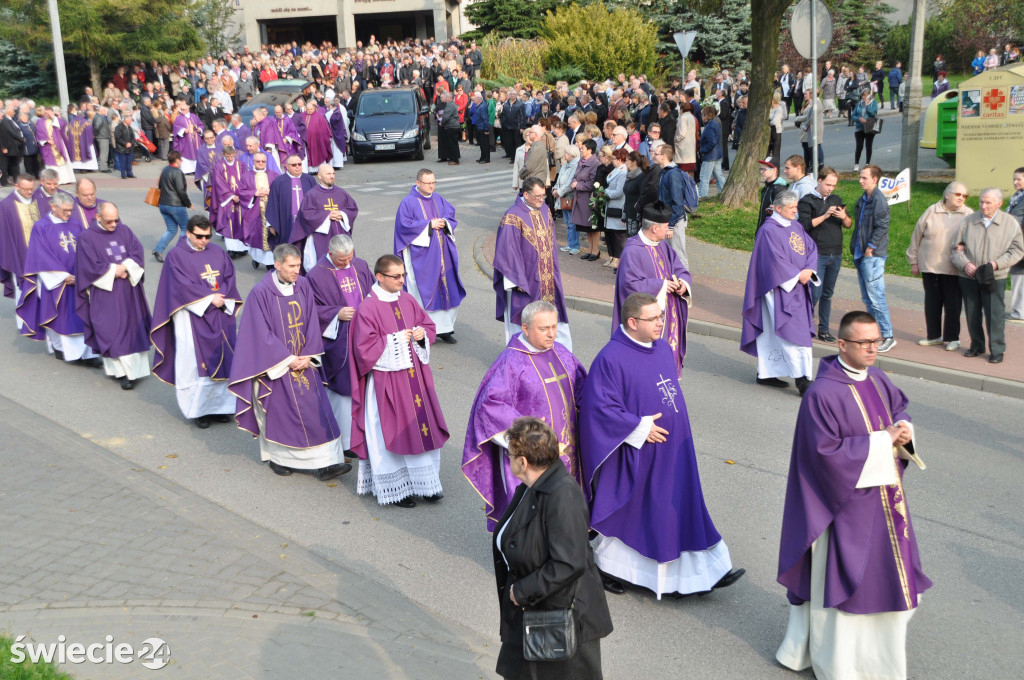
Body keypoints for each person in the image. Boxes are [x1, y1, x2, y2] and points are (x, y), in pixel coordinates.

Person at [776, 310, 930, 680]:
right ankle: (841, 664)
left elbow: (898, 409)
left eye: (876, 341)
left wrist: (904, 429)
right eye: (863, 343)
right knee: (850, 584)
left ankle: (880, 661)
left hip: (887, 502)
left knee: (890, 578)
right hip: (843, 508)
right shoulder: (823, 394)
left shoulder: (877, 378)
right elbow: (823, 456)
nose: (872, 349)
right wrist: (882, 441)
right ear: (842, 344)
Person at [580, 292, 745, 598]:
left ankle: (704, 572)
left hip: (675, 448)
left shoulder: (661, 349)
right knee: (644, 512)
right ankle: (610, 567)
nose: (661, 322)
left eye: (660, 316)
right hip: (639, 453)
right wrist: (639, 427)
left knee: (681, 504)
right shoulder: (610, 358)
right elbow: (598, 409)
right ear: (632, 322)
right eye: (653, 318)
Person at [492, 417, 613, 680]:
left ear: (523, 462)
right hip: (535, 613)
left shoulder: (562, 496)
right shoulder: (533, 485)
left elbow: (568, 563)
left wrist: (521, 592)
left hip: (559, 618)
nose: (508, 459)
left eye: (510, 454)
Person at [228, 243, 349, 481]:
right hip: (277, 365)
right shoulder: (261, 293)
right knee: (282, 416)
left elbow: (312, 320)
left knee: (317, 411)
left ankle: (328, 463)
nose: (297, 270)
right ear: (277, 264)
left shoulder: (302, 285)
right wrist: (289, 359)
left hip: (305, 360)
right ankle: (280, 459)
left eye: (299, 265)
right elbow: (259, 333)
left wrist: (309, 353)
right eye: (292, 266)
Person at [463, 301, 587, 530]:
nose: (551, 334)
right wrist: (528, 432)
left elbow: (583, 390)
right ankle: (526, 552)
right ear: (525, 328)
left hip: (568, 448)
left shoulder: (560, 353)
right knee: (531, 512)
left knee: (564, 505)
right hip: (530, 455)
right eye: (544, 329)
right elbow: (490, 406)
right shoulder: (511, 361)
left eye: (554, 327)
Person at [349, 254, 449, 508]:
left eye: (403, 275)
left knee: (421, 427)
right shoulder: (367, 308)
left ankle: (426, 485)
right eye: (396, 276)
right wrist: (393, 340)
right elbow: (362, 348)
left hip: (415, 377)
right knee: (389, 433)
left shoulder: (407, 299)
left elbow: (426, 324)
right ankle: (398, 489)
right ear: (379, 277)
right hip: (387, 381)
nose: (402, 281)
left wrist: (421, 333)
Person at [151, 215, 242, 428]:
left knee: (224, 357)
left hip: (220, 314)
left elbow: (229, 276)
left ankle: (222, 408)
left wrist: (222, 297)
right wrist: (211, 298)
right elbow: (180, 286)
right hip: (192, 316)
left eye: (208, 236)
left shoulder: (217, 252)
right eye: (199, 236)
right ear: (189, 233)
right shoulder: (176, 256)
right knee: (194, 363)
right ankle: (198, 410)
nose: (204, 241)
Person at [741, 191, 819, 395]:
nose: (796, 210)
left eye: (796, 206)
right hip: (778, 288)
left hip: (799, 287)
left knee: (783, 332)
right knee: (789, 332)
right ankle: (802, 379)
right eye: (792, 207)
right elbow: (773, 261)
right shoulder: (768, 231)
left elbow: (811, 248)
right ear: (777, 208)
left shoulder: (796, 225)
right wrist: (797, 275)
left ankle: (765, 373)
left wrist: (809, 270)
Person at [306, 234, 373, 455]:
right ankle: (344, 441)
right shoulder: (316, 275)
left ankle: (364, 436)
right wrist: (336, 313)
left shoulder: (360, 265)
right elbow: (310, 310)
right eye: (342, 260)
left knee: (366, 388)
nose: (347, 263)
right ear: (330, 253)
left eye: (349, 258)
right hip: (340, 341)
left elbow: (374, 293)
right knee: (344, 391)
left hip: (365, 336)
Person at [75, 201, 151, 390]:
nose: (114, 225)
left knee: (133, 328)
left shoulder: (124, 230)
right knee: (112, 330)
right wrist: (114, 270)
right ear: (98, 218)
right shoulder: (87, 237)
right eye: (109, 221)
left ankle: (135, 371)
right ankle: (123, 373)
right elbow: (88, 266)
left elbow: (137, 252)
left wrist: (125, 267)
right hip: (105, 292)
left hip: (129, 289)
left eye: (116, 220)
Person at [16, 192, 99, 365]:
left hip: (78, 279)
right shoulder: (41, 227)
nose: (69, 214)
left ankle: (88, 354)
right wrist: (62, 277)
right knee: (61, 317)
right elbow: (40, 255)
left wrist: (86, 272)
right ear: (53, 207)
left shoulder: (76, 224)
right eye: (65, 211)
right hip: (56, 281)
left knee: (82, 315)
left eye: (70, 210)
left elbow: (87, 248)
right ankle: (63, 350)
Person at [612, 201, 691, 376]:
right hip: (647, 320)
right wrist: (662, 285)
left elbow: (679, 269)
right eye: (666, 227)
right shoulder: (633, 250)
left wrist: (683, 283)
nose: (668, 231)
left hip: (669, 315)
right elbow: (629, 285)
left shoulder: (662, 245)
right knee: (647, 371)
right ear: (654, 228)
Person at [494, 177, 572, 350]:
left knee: (553, 315)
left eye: (543, 195)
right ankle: (521, 353)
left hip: (548, 277)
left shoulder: (544, 209)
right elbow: (506, 252)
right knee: (523, 315)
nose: (541, 200)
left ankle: (559, 351)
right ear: (526, 194)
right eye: (537, 196)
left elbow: (550, 242)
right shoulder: (512, 216)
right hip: (524, 279)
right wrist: (516, 281)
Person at [950, 188, 1024, 364]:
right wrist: (965, 264)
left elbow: (1017, 250)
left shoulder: (1010, 223)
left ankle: (997, 350)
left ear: (999, 203)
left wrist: (996, 264)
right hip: (969, 275)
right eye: (981, 202)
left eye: (988, 202)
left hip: (995, 276)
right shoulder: (968, 221)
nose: (983, 206)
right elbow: (955, 248)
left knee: (995, 315)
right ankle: (977, 346)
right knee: (972, 312)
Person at [394, 169, 465, 344]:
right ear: (418, 183)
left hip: (443, 254)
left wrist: (445, 223)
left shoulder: (438, 198)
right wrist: (428, 225)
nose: (432, 186)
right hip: (422, 259)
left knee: (446, 289)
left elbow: (451, 216)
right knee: (424, 291)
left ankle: (445, 329)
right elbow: (404, 227)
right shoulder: (408, 202)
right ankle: (422, 331)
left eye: (434, 182)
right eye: (428, 183)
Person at [906, 182, 972, 350]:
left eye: (964, 196)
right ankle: (934, 336)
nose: (961, 198)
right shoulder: (931, 211)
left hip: (954, 269)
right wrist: (913, 261)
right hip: (930, 266)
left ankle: (953, 338)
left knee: (953, 305)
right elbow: (917, 236)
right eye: (958, 194)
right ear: (947, 194)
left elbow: (975, 241)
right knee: (932, 303)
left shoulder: (968, 214)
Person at [798, 167, 851, 343]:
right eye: (828, 184)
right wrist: (825, 214)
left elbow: (849, 224)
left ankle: (824, 330)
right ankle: (801, 324)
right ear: (819, 180)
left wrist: (843, 216)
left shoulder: (836, 199)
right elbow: (804, 225)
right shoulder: (807, 201)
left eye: (834, 185)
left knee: (827, 294)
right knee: (815, 293)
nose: (831, 188)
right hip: (816, 255)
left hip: (835, 254)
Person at [852, 165, 896, 352]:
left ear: (875, 179)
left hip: (873, 256)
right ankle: (873, 334)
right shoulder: (863, 200)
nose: (860, 181)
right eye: (860, 177)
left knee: (876, 297)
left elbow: (882, 226)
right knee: (867, 297)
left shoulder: (878, 200)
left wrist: (870, 247)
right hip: (861, 253)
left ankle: (888, 335)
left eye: (864, 178)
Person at [292, 163, 358, 272]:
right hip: (321, 236)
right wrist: (327, 215)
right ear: (320, 176)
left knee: (345, 264)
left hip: (340, 234)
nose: (332, 176)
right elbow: (306, 214)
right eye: (328, 174)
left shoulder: (341, 192)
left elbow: (352, 208)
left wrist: (342, 214)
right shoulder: (312, 194)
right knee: (323, 267)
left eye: (333, 173)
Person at [0, 174, 41, 325]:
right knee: (22, 286)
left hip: (40, 253)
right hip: (19, 253)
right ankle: (24, 320)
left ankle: (40, 316)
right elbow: (4, 235)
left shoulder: (37, 200)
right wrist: (12, 257)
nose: (30, 192)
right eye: (26, 189)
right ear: (16, 186)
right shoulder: (6, 206)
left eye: (32, 189)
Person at [654, 144, 697, 270]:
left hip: (674, 221)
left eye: (656, 154)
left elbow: (677, 202)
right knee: (666, 254)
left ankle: (684, 285)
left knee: (678, 254)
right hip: (666, 220)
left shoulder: (673, 175)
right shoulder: (664, 172)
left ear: (664, 156)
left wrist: (671, 225)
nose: (654, 156)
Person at [154, 151, 193, 263]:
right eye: (180, 160)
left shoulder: (165, 170)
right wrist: (188, 203)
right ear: (177, 160)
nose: (181, 162)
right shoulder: (177, 172)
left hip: (163, 204)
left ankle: (158, 250)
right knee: (185, 228)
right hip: (175, 205)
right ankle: (180, 253)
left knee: (171, 229)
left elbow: (160, 185)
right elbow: (181, 191)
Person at [210, 144, 248, 259]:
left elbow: (246, 179)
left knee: (240, 222)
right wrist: (231, 196)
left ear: (235, 154)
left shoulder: (241, 164)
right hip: (226, 199)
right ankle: (231, 249)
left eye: (232, 156)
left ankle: (242, 248)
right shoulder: (219, 166)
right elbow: (218, 183)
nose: (230, 158)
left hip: (241, 198)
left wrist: (242, 194)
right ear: (223, 155)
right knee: (228, 223)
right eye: (228, 156)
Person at [570, 139, 602, 264]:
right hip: (580, 198)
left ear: (590, 150)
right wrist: (574, 182)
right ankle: (589, 249)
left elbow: (593, 183)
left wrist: (577, 185)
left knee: (593, 227)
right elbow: (575, 175)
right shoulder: (580, 161)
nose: (580, 150)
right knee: (586, 227)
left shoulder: (595, 163)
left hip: (589, 199)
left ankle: (595, 250)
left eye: (582, 148)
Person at [552, 145, 581, 255]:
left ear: (572, 155)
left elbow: (570, 183)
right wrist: (555, 188)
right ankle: (570, 244)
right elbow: (559, 180)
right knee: (567, 222)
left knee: (572, 222)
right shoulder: (565, 165)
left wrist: (558, 192)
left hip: (570, 196)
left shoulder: (576, 165)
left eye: (566, 153)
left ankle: (575, 245)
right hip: (563, 196)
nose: (564, 155)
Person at [35, 108, 75, 185]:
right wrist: (46, 140)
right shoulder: (40, 122)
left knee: (63, 163)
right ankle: (53, 180)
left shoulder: (57, 120)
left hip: (59, 144)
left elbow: (62, 126)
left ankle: (65, 179)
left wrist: (53, 117)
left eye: (49, 113)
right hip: (48, 146)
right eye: (46, 113)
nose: (47, 114)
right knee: (51, 164)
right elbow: (39, 132)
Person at [1008, 168, 1024, 322]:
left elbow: (1016, 219)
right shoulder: (1018, 197)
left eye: (1019, 179)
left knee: (1019, 275)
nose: (1015, 182)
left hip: (1021, 242)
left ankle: (1020, 312)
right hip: (1018, 241)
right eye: (1014, 179)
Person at [171, 98, 203, 174]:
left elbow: (201, 125)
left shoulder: (194, 116)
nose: (182, 111)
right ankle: (187, 170)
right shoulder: (179, 118)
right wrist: (183, 130)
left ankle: (196, 169)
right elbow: (176, 128)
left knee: (197, 153)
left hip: (196, 140)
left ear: (188, 107)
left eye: (184, 110)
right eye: (181, 110)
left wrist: (199, 129)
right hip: (185, 140)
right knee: (186, 153)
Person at [851, 90, 878, 171]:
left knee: (868, 145)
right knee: (859, 146)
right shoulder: (859, 104)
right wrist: (858, 118)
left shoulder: (873, 103)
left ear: (869, 96)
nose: (863, 97)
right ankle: (856, 164)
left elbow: (873, 113)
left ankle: (867, 163)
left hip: (869, 127)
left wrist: (867, 105)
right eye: (862, 95)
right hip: (859, 127)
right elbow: (853, 115)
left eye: (865, 95)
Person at [112, 112, 136, 180]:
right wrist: (125, 143)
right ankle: (123, 174)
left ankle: (129, 173)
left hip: (129, 148)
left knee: (129, 161)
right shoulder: (119, 127)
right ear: (126, 120)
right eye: (130, 120)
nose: (131, 122)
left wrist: (131, 143)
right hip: (121, 148)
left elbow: (132, 137)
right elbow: (118, 138)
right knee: (123, 162)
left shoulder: (129, 127)